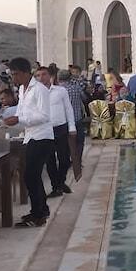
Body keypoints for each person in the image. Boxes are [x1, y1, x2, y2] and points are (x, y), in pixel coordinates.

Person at [3, 58, 54, 227]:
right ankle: (41, 209)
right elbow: (21, 112)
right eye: (12, 74)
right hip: (30, 136)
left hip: (42, 136)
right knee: (33, 175)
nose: (14, 78)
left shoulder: (39, 90)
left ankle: (38, 214)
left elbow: (44, 116)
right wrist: (14, 120)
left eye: (16, 74)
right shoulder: (21, 89)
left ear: (26, 73)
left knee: (30, 176)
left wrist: (19, 119)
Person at [36, 67, 76, 198]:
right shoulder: (35, 93)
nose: (41, 77)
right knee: (50, 160)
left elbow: (68, 108)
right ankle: (56, 187)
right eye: (38, 75)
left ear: (50, 76)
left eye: (44, 74)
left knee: (64, 159)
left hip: (60, 128)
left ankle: (60, 181)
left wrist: (72, 126)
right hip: (45, 129)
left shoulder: (60, 91)